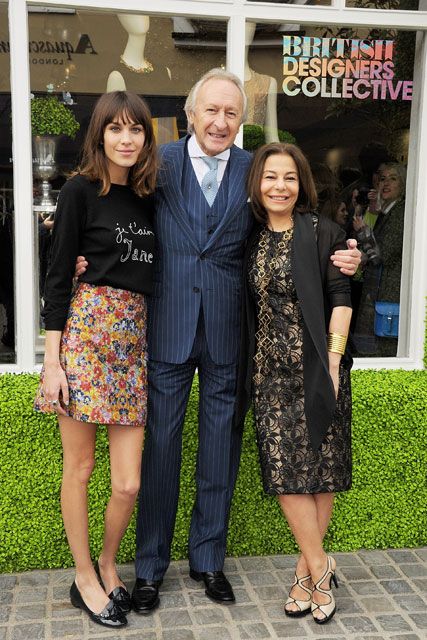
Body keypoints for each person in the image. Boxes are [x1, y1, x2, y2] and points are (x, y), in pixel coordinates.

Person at [75, 68, 361, 613]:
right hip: (168, 324)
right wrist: (85, 261)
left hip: (232, 329)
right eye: (211, 111)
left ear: (242, 120)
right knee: (160, 448)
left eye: (231, 113)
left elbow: (291, 223)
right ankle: (152, 568)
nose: (220, 122)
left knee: (220, 450)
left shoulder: (257, 172)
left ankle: (208, 559)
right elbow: (114, 215)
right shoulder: (159, 163)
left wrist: (342, 257)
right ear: (190, 115)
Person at [34, 90, 157, 628]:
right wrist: (52, 361)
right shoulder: (80, 192)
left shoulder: (153, 197)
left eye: (136, 130)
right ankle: (83, 575)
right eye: (115, 129)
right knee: (80, 468)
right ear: (99, 135)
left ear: (147, 139)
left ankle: (109, 562)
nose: (126, 139)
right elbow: (58, 277)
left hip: (132, 346)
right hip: (83, 339)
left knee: (128, 482)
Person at [236, 142, 353, 624]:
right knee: (286, 477)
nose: (279, 186)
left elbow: (341, 295)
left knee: (319, 474)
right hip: (268, 376)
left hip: (318, 370)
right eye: (269, 177)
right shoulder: (249, 236)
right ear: (256, 185)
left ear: (301, 183)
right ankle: (324, 567)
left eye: (288, 177)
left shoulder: (323, 231)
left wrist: (331, 360)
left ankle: (307, 575)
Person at [353, 162, 406, 356]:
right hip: (381, 293)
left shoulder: (400, 213)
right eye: (383, 178)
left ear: (403, 184)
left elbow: (381, 255)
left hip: (388, 295)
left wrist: (363, 232)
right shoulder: (388, 211)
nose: (386, 183)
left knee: (382, 352)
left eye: (393, 178)